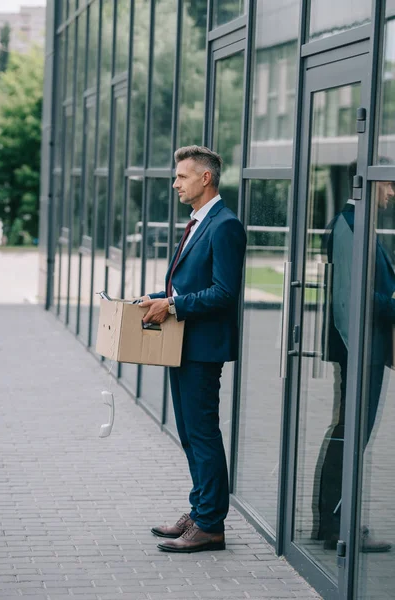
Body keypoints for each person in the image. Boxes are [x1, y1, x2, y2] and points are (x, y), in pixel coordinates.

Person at [139, 145, 247, 553]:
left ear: (206, 178)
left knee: (202, 435)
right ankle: (201, 509)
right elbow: (188, 284)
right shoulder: (200, 222)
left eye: (182, 177)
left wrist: (174, 305)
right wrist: (156, 299)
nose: (175, 184)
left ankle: (210, 524)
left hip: (202, 349)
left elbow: (224, 292)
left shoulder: (225, 225)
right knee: (189, 433)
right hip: (183, 343)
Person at [313, 162, 395, 552]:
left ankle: (335, 523)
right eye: (389, 185)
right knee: (350, 436)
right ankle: (336, 527)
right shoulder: (350, 225)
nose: (392, 194)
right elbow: (352, 299)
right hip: (359, 352)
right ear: (371, 184)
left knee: (348, 434)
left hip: (361, 350)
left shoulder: (353, 223)